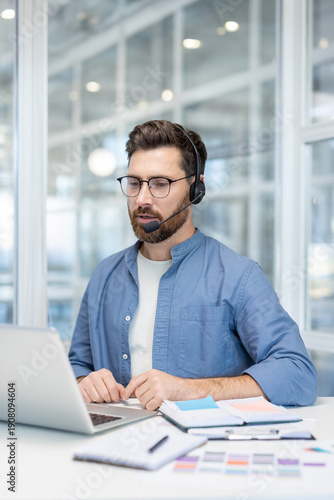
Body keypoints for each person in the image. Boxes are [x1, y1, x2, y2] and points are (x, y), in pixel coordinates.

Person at [68, 119, 318, 411]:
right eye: (135, 183)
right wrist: (83, 382)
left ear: (195, 190)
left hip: (204, 448)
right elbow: (76, 365)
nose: (142, 198)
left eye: (160, 184)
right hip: (115, 442)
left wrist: (191, 390)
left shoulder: (238, 276)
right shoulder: (104, 276)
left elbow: (298, 374)